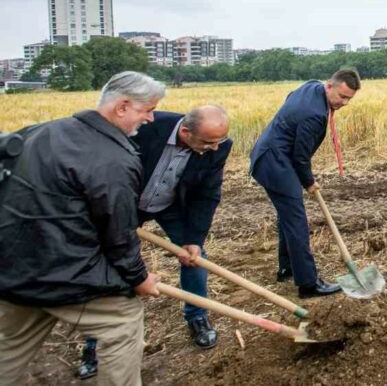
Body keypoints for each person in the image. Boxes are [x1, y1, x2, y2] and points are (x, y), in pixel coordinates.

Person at [0, 72, 163, 386]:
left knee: (8, 344)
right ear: (123, 106)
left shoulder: (38, 132)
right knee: (124, 323)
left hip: (13, 272)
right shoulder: (114, 159)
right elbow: (119, 235)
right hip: (68, 276)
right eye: (147, 109)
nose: (151, 117)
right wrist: (139, 279)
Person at [77, 105, 233, 378]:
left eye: (218, 142)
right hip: (123, 204)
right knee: (106, 264)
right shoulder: (146, 127)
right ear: (185, 132)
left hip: (168, 204)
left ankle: (197, 317)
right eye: (208, 142)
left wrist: (194, 239)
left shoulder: (218, 146)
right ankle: (96, 343)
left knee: (196, 258)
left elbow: (207, 194)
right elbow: (97, 164)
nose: (214, 148)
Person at [251, 69, 360, 297]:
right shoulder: (315, 114)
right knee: (297, 221)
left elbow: (290, 99)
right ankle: (308, 284)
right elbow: (301, 157)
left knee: (288, 217)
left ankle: (287, 268)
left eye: (349, 98)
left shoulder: (311, 85)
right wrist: (309, 182)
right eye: (342, 96)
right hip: (275, 163)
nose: (345, 103)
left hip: (269, 154)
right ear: (330, 86)